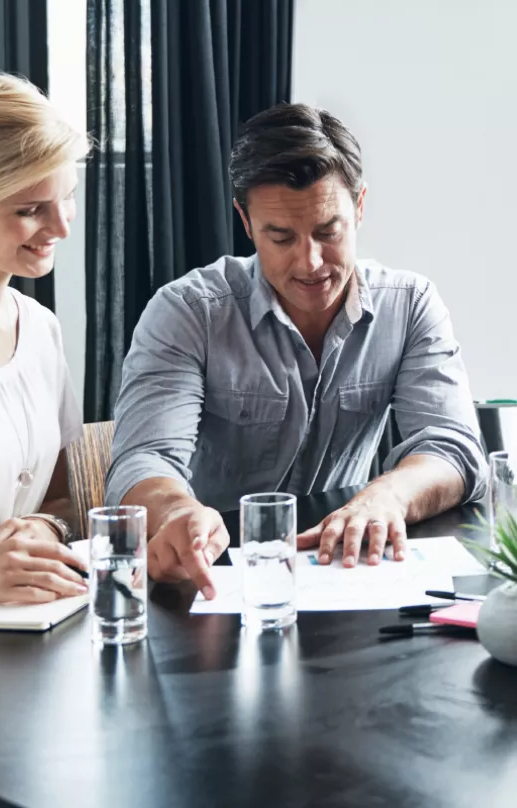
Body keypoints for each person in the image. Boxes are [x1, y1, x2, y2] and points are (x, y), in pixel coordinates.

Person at [107, 103, 487, 598]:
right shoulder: (187, 312)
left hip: (346, 572)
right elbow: (144, 460)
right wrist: (179, 513)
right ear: (245, 221)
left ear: (361, 206)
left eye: (329, 231)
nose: (310, 262)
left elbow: (452, 448)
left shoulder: (410, 305)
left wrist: (385, 496)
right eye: (281, 237)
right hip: (212, 580)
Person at [0, 74, 89, 604]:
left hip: (20, 633)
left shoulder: (40, 330)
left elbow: (59, 499)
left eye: (66, 198)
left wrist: (47, 530)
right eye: (30, 210)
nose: (61, 227)